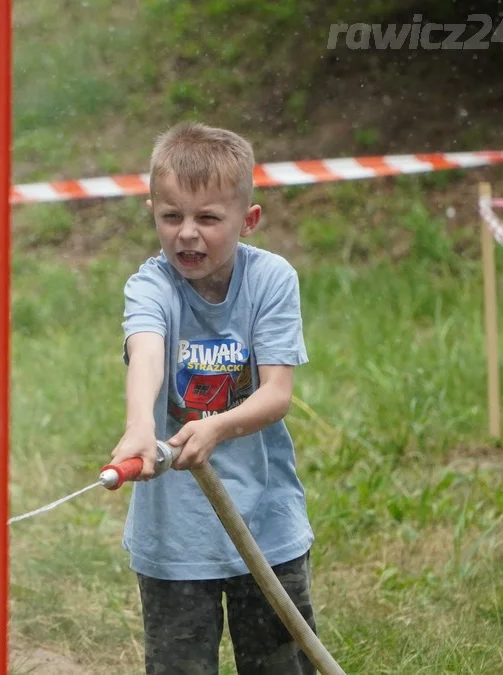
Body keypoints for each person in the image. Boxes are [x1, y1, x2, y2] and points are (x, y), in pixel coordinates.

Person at [109, 121, 318, 675]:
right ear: (152, 210)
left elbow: (276, 393)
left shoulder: (272, 279)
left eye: (208, 218)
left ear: (247, 219)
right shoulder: (150, 285)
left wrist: (217, 427)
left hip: (266, 529)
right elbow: (147, 349)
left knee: (279, 665)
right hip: (174, 540)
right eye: (171, 216)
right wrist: (138, 427)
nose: (187, 234)